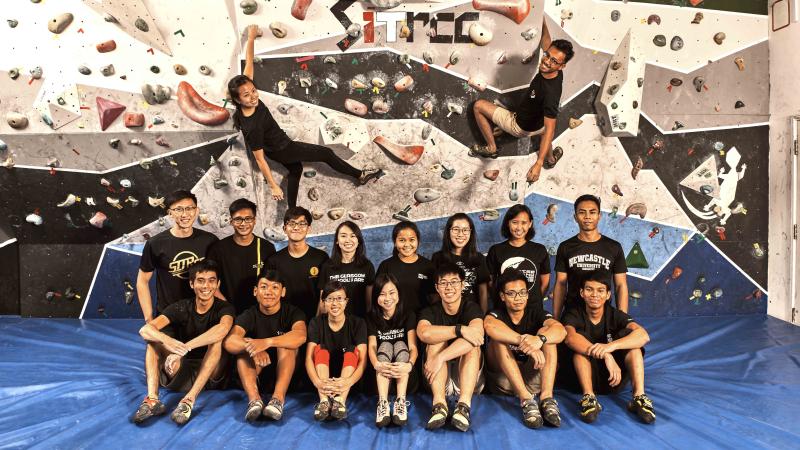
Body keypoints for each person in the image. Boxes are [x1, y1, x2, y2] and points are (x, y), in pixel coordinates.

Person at [230, 25, 382, 208]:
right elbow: (260, 160)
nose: (253, 96)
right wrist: (273, 186)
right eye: (246, 95)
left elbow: (248, 64)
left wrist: (251, 38)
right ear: (237, 100)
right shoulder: (252, 127)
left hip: (277, 148)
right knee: (325, 153)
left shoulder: (247, 99)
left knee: (296, 169)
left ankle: (291, 212)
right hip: (283, 149)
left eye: (253, 91)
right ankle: (360, 175)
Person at [470, 19, 574, 184]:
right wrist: (540, 18)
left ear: (562, 66)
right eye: (547, 55)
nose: (547, 61)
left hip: (520, 126)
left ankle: (491, 148)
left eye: (554, 61)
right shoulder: (556, 71)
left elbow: (550, 129)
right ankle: (551, 160)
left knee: (478, 106)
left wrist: (538, 164)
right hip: (539, 125)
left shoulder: (550, 94)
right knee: (543, 134)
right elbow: (546, 41)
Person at [132, 260, 234, 425]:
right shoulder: (181, 307)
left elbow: (222, 330)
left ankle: (188, 401)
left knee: (216, 341)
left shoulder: (225, 308)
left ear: (218, 284)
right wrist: (169, 341)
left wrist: (185, 348)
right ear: (192, 284)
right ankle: (152, 399)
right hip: (182, 371)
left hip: (210, 375)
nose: (206, 286)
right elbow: (145, 330)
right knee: (153, 341)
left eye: (211, 281)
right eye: (200, 281)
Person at [562, 271, 655, 424]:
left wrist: (610, 347)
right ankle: (589, 398)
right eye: (589, 289)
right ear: (582, 293)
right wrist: (606, 355)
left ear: (608, 295)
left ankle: (639, 397)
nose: (594, 295)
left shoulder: (615, 314)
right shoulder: (573, 314)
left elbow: (643, 336)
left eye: (600, 290)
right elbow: (569, 338)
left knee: (633, 346)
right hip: (582, 379)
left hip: (613, 378)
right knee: (579, 347)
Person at [484, 268, 565, 428]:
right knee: (498, 341)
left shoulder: (537, 313)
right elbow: (489, 326)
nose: (518, 298)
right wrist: (525, 343)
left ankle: (547, 398)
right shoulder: (496, 314)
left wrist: (539, 340)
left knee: (548, 335)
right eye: (511, 293)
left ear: (528, 294)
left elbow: (561, 331)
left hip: (533, 379)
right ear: (502, 296)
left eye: (522, 293)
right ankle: (526, 400)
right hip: (505, 381)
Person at [224, 270, 307, 422]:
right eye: (264, 287)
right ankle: (254, 400)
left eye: (275, 287)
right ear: (255, 291)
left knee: (287, 344)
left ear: (283, 292)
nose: (269, 292)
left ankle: (277, 400)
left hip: (286, 374)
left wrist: (266, 342)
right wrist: (253, 348)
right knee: (243, 351)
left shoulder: (293, 312)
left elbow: (300, 336)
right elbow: (230, 341)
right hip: (256, 373)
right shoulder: (249, 314)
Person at [416, 262, 484, 432]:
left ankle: (463, 406)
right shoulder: (430, 311)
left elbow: (477, 336)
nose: (449, 287)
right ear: (437, 288)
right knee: (435, 341)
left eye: (454, 282)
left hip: (466, 379)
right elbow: (424, 333)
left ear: (462, 285)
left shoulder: (471, 308)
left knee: (472, 347)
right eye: (443, 283)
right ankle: (439, 405)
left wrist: (441, 357)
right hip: (437, 378)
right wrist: (459, 330)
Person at [136, 190, 218, 323]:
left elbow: (217, 279)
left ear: (197, 211)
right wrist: (149, 319)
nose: (185, 214)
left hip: (204, 316)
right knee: (150, 337)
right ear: (170, 213)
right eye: (178, 209)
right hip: (168, 316)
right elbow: (142, 281)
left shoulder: (210, 241)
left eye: (189, 208)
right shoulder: (155, 243)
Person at [552, 194, 628, 320]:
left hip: (602, 316)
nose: (587, 216)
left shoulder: (614, 247)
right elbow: (560, 284)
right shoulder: (566, 247)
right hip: (572, 314)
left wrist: (623, 319)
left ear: (599, 216)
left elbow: (620, 285)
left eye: (592, 212)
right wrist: (556, 318)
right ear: (575, 217)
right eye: (582, 212)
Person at [305, 281, 368, 421]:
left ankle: (340, 401)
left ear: (346, 301)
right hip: (323, 376)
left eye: (339, 298)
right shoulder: (316, 323)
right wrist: (317, 382)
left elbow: (363, 360)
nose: (335, 303)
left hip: (347, 378)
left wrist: (349, 382)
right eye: (330, 299)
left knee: (352, 350)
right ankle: (324, 401)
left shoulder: (358, 323)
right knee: (320, 349)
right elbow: (308, 358)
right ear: (323, 302)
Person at [367, 273, 418, 427]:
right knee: (385, 345)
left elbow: (413, 347)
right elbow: (372, 346)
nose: (387, 298)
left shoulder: (408, 314)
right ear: (376, 296)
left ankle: (400, 401)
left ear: (398, 294)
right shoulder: (371, 317)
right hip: (382, 373)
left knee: (400, 344)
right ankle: (382, 402)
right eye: (382, 294)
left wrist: (409, 365)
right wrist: (376, 364)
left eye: (391, 293)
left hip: (404, 373)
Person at [208, 198, 276, 313]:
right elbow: (210, 284)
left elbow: (273, 284)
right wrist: (227, 309)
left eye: (248, 219)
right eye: (238, 219)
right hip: (226, 312)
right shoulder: (218, 249)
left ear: (254, 221)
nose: (243, 224)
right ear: (231, 221)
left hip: (259, 313)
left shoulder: (267, 248)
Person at [266, 207, 328, 321]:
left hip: (314, 321)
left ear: (309, 228)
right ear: (284, 228)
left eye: (302, 223)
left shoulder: (321, 258)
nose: (296, 227)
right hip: (283, 322)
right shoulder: (274, 261)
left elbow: (324, 294)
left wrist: (317, 323)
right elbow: (270, 295)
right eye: (291, 223)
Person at [486, 204, 551, 309]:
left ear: (530, 224)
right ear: (508, 223)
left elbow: (545, 282)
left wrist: (535, 300)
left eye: (524, 223)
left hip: (533, 309)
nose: (519, 227)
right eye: (514, 222)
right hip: (505, 309)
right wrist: (502, 302)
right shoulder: (496, 250)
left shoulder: (540, 250)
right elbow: (490, 283)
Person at [431, 213, 490, 313]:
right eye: (456, 229)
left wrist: (483, 315)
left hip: (472, 313)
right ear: (448, 232)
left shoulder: (479, 258)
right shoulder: (438, 258)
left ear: (471, 232)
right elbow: (434, 292)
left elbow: (483, 291)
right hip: (445, 313)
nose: (460, 234)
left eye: (465, 230)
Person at [317, 221, 375, 318]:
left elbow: (369, 303)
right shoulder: (327, 266)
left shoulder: (367, 266)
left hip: (359, 322)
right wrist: (319, 322)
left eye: (352, 236)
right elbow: (322, 302)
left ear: (358, 241)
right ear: (337, 240)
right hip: (333, 322)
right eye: (343, 236)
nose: (348, 240)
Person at [376, 221, 435, 313]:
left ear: (418, 241)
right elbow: (378, 295)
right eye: (402, 240)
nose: (407, 245)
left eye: (411, 240)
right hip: (394, 318)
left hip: (421, 318)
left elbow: (434, 297)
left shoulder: (428, 266)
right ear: (395, 242)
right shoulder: (386, 265)